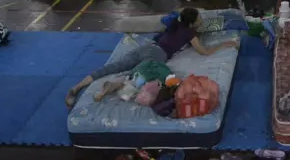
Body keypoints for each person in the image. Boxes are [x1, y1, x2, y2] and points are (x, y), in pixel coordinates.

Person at [64, 8, 239, 108]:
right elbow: (205, 52)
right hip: (157, 54)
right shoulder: (190, 32)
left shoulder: (175, 23)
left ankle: (76, 87)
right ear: (193, 22)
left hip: (147, 47)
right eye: (199, 18)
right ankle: (114, 85)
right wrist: (226, 44)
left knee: (113, 66)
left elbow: (174, 15)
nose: (201, 19)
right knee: (156, 76)